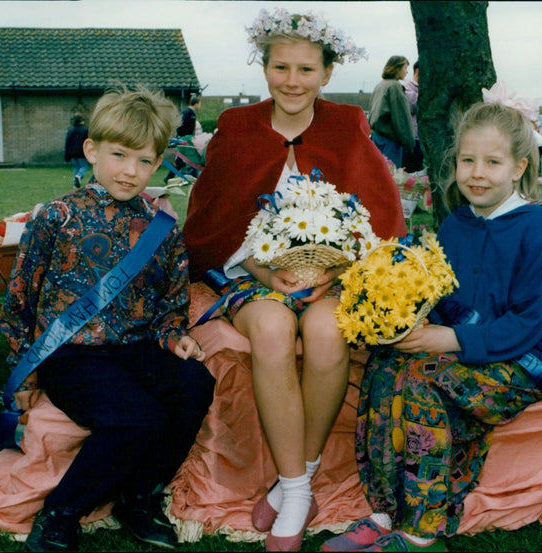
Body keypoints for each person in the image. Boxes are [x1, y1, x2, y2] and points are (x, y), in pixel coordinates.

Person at [322, 95, 542, 553]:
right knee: (387, 365)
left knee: (423, 380)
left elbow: (531, 321)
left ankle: (422, 529)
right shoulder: (456, 225)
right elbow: (443, 294)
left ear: (519, 167)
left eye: (492, 162)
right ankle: (384, 510)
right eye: (468, 160)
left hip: (533, 357)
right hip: (471, 341)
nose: (477, 173)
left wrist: (448, 338)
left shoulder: (539, 229)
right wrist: (406, 320)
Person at [183, 8, 406, 551]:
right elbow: (214, 215)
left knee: (328, 332)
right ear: (264, 69)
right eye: (281, 67)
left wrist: (333, 271)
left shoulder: (347, 124)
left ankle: (292, 486)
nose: (292, 81)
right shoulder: (237, 127)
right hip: (252, 270)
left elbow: (375, 213)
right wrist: (263, 269)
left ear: (327, 74)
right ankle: (300, 489)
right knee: (275, 331)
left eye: (306, 70)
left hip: (335, 275)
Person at [0, 86, 215, 552]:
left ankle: (140, 496)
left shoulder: (162, 228)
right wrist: (22, 369)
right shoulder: (56, 217)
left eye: (144, 160)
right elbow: (21, 296)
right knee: (138, 418)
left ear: (157, 163)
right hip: (71, 355)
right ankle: (61, 511)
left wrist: (174, 336)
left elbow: (170, 301)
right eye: (119, 155)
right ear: (91, 150)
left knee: (195, 384)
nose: (130, 171)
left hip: (136, 348)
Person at [368, 55, 415, 168]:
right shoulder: (395, 87)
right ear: (397, 68)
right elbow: (401, 119)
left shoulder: (380, 85)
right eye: (405, 68)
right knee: (391, 177)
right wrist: (409, 143)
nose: (407, 72)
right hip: (390, 141)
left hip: (376, 137)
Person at [401, 60, 424, 173]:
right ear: (418, 71)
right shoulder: (406, 86)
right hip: (412, 138)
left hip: (423, 138)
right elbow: (411, 105)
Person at [64, 114, 89, 188]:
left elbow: (67, 142)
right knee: (84, 166)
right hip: (81, 152)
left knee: (76, 167)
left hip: (72, 152)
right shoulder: (85, 130)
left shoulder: (71, 130)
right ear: (81, 121)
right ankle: (79, 175)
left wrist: (67, 154)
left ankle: (76, 183)